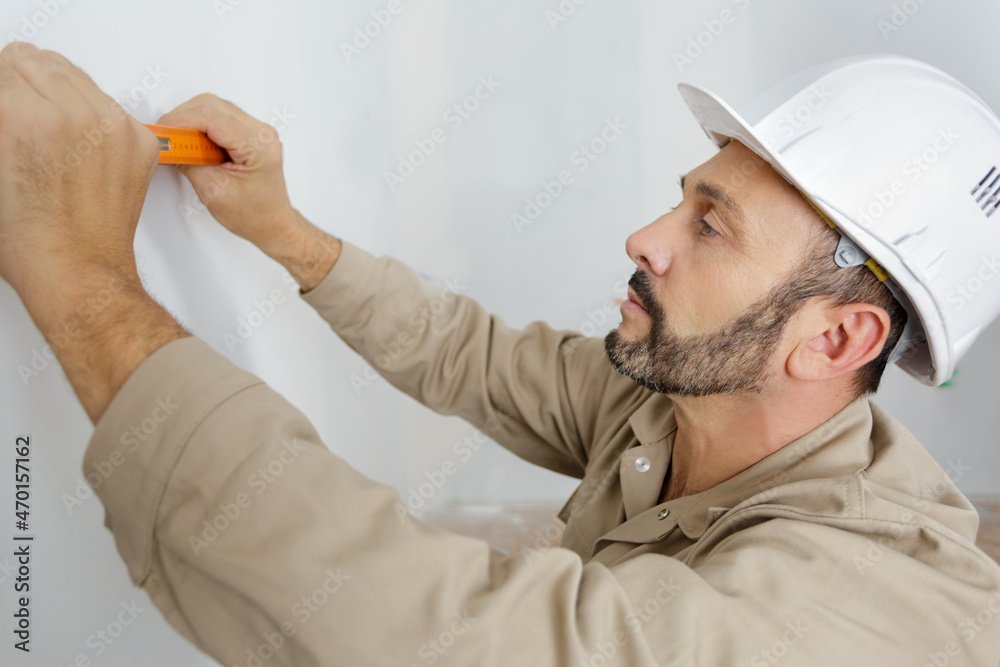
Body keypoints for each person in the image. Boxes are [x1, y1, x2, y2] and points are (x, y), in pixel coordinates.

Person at [1, 40, 998, 666]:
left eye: (711, 226)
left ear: (836, 337)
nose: (645, 237)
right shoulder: (681, 405)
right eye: (680, 197)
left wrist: (81, 279)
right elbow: (470, 354)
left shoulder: (851, 613)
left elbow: (433, 635)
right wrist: (282, 230)